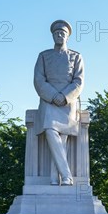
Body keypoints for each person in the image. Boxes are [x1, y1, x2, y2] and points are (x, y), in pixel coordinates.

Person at [34, 20, 84, 185]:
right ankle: (67, 175)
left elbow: (79, 81)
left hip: (68, 103)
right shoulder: (44, 56)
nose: (59, 35)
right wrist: (53, 95)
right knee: (50, 131)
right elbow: (39, 80)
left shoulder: (76, 57)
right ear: (53, 36)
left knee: (62, 139)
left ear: (67, 37)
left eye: (62, 33)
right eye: (56, 33)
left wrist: (64, 96)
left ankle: (56, 178)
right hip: (49, 101)